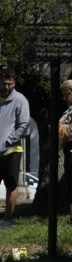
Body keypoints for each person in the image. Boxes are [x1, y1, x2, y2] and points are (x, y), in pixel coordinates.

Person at [0, 66, 31, 228]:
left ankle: (7, 219)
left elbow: (23, 126)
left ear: (14, 83)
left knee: (11, 185)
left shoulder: (20, 100)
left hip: (11, 151)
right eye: (3, 83)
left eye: (9, 84)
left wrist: (7, 142)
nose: (6, 87)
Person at [59, 80, 72, 225]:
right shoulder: (68, 111)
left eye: (66, 94)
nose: (64, 98)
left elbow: (68, 132)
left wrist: (61, 131)